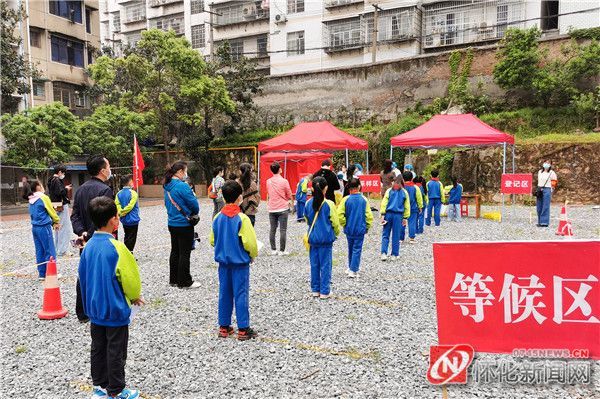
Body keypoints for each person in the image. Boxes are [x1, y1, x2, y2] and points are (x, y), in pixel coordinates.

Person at [78, 196, 144, 399]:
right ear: (114, 220)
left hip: (95, 309)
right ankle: (116, 390)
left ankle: (99, 386)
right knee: (116, 351)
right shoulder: (118, 248)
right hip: (115, 310)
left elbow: (82, 278)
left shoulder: (87, 247)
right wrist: (134, 297)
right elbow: (130, 278)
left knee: (98, 348)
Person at [209, 181, 258, 341]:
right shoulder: (242, 219)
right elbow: (250, 243)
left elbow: (212, 240)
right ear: (240, 198)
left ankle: (224, 326)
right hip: (240, 264)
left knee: (224, 293)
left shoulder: (217, 217)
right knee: (241, 294)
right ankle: (243, 328)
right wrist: (252, 254)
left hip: (223, 264)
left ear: (222, 197)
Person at [71, 155, 114, 323]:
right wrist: (90, 232)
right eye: (109, 166)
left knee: (84, 273)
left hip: (85, 239)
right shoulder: (104, 190)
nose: (110, 169)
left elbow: (75, 215)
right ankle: (101, 309)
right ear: (103, 170)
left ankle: (82, 312)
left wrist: (81, 232)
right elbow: (106, 219)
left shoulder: (80, 189)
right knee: (105, 273)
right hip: (101, 238)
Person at [163, 161, 200, 289]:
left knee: (175, 251)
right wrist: (194, 212)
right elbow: (194, 204)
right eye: (185, 171)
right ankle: (185, 281)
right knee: (185, 252)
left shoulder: (167, 185)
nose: (186, 174)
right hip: (184, 223)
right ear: (180, 172)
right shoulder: (182, 186)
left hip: (172, 222)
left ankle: (173, 279)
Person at [304, 176, 340, 299]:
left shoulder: (308, 203)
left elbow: (307, 219)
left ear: (312, 189)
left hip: (313, 238)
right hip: (325, 239)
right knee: (326, 265)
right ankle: (325, 291)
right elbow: (335, 222)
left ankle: (315, 289)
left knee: (314, 264)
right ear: (326, 188)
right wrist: (336, 233)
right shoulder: (329, 204)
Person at [337, 178, 373, 278]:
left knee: (350, 247)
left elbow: (340, 214)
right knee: (357, 249)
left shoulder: (345, 199)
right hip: (360, 228)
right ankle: (353, 269)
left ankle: (350, 266)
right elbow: (369, 215)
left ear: (349, 188)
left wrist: (344, 223)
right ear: (359, 187)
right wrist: (367, 225)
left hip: (349, 228)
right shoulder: (364, 200)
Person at [28, 181, 60, 280]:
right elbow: (51, 211)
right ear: (38, 187)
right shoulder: (43, 197)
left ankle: (42, 274)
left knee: (39, 250)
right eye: (42, 185)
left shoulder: (31, 198)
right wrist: (56, 221)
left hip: (35, 228)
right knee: (49, 250)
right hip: (44, 227)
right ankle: (52, 273)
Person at [380, 176, 410, 261]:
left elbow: (384, 203)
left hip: (388, 214)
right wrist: (405, 218)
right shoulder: (404, 192)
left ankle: (384, 253)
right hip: (398, 215)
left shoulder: (389, 191)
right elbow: (407, 206)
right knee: (396, 235)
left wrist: (382, 214)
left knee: (385, 234)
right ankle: (394, 254)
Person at [266, 162, 292, 256]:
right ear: (280, 169)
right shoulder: (284, 181)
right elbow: (289, 194)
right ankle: (282, 250)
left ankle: (273, 249)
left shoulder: (268, 181)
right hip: (282, 207)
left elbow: (269, 192)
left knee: (272, 229)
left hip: (272, 207)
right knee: (283, 230)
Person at [47, 165, 74, 257]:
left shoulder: (51, 180)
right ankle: (63, 250)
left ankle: (58, 248)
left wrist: (64, 188)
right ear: (59, 172)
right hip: (61, 205)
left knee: (58, 227)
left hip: (55, 205)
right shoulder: (57, 180)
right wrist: (66, 189)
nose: (64, 175)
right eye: (63, 173)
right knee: (64, 228)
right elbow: (60, 192)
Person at [116, 175, 140, 252]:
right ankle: (129, 253)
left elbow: (117, 204)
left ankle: (126, 251)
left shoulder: (118, 193)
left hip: (124, 219)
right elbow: (130, 206)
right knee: (132, 237)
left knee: (126, 235)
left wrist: (121, 212)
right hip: (133, 219)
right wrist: (124, 212)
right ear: (129, 182)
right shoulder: (133, 193)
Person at [402, 171, 423, 243]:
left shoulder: (401, 187)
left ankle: (401, 238)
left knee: (402, 223)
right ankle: (412, 238)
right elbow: (419, 198)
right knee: (412, 223)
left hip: (402, 209)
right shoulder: (415, 187)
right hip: (413, 208)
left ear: (403, 178)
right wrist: (420, 207)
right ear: (412, 178)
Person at [536, 160, 558, 227]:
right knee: (539, 206)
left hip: (547, 189)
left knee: (545, 206)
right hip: (540, 188)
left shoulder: (552, 173)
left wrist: (552, 189)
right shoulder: (540, 172)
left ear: (550, 165)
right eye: (545, 163)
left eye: (548, 163)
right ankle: (540, 221)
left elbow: (554, 181)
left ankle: (544, 222)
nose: (546, 164)